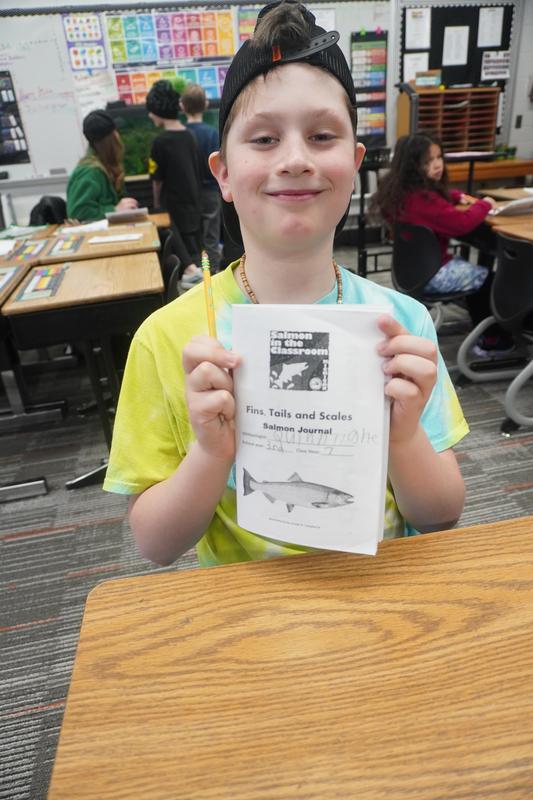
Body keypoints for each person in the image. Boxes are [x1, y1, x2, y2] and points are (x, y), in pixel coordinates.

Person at [104, 0, 467, 568]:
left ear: (355, 162)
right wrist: (210, 452)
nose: (295, 159)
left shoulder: (403, 324)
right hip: (246, 621)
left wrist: (401, 436)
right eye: (265, 139)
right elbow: (155, 545)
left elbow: (442, 513)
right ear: (223, 174)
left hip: (383, 607)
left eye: (323, 136)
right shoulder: (167, 338)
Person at [371, 132, 512, 355]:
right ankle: (491, 340)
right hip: (433, 272)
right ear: (412, 166)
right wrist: (483, 204)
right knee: (490, 279)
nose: (437, 165)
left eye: (439, 158)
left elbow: (439, 203)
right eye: (428, 161)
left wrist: (456, 196)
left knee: (477, 272)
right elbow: (461, 224)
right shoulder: (424, 201)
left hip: (410, 271)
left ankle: (482, 328)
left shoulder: (402, 192)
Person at [146, 80, 204, 289]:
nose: (149, 116)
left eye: (150, 111)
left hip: (172, 204)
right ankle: (196, 272)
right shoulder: (189, 135)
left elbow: (157, 179)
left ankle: (190, 272)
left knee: (179, 248)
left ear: (157, 111)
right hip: (192, 202)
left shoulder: (160, 142)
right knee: (195, 249)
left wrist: (156, 205)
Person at [67, 110, 138, 222]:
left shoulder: (106, 166)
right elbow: (78, 212)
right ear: (111, 140)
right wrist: (114, 210)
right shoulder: (90, 172)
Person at [181, 83, 222, 271]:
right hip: (211, 191)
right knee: (211, 236)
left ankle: (197, 273)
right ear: (205, 105)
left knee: (194, 235)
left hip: (189, 194)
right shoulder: (211, 133)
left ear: (182, 106)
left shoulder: (182, 134)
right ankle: (213, 273)